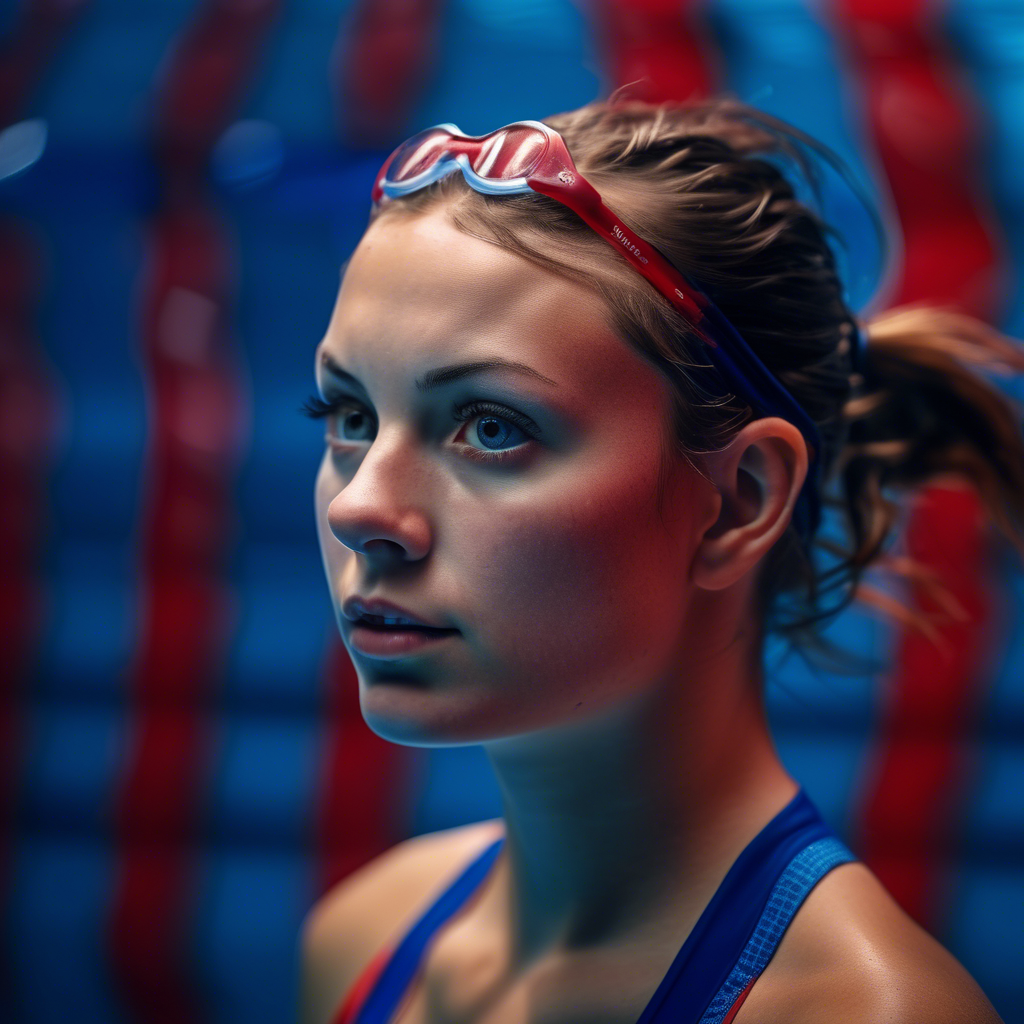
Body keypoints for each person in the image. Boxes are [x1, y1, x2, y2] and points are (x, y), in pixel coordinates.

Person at [298, 97, 1024, 1024]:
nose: (362, 507)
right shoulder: (361, 939)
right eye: (350, 417)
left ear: (740, 499)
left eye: (490, 427)